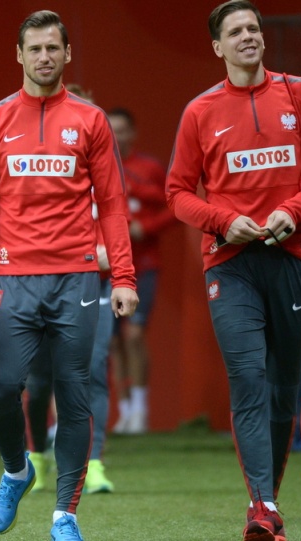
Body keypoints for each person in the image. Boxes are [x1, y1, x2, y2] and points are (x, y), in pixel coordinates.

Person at [0, 11, 138, 541]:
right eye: (36, 48)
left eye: (54, 48)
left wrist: (123, 277)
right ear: (19, 56)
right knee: (2, 392)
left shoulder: (91, 121)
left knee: (75, 396)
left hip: (77, 278)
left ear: (67, 54)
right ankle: (16, 471)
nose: (45, 56)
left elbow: (114, 206)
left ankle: (65, 516)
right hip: (12, 280)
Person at [165, 2, 301, 540]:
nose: (249, 37)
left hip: (292, 259)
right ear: (218, 47)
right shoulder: (200, 111)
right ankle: (261, 508)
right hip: (231, 263)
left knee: (284, 388)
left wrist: (294, 212)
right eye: (235, 31)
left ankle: (269, 495)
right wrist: (222, 220)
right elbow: (176, 194)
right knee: (248, 379)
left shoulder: (300, 94)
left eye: (254, 28)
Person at [24, 83, 118, 496]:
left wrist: (110, 259)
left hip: (94, 286)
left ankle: (92, 462)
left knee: (90, 374)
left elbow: (120, 224)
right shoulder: (42, 169)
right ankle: (36, 455)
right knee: (39, 380)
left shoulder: (109, 170)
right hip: (42, 284)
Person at [106, 107, 177, 435]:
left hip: (142, 265)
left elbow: (175, 206)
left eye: (122, 130)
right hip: (104, 268)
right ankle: (124, 410)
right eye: (112, 130)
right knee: (113, 342)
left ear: (132, 133)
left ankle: (141, 409)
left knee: (133, 336)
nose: (117, 136)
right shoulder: (97, 165)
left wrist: (144, 227)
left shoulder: (148, 168)